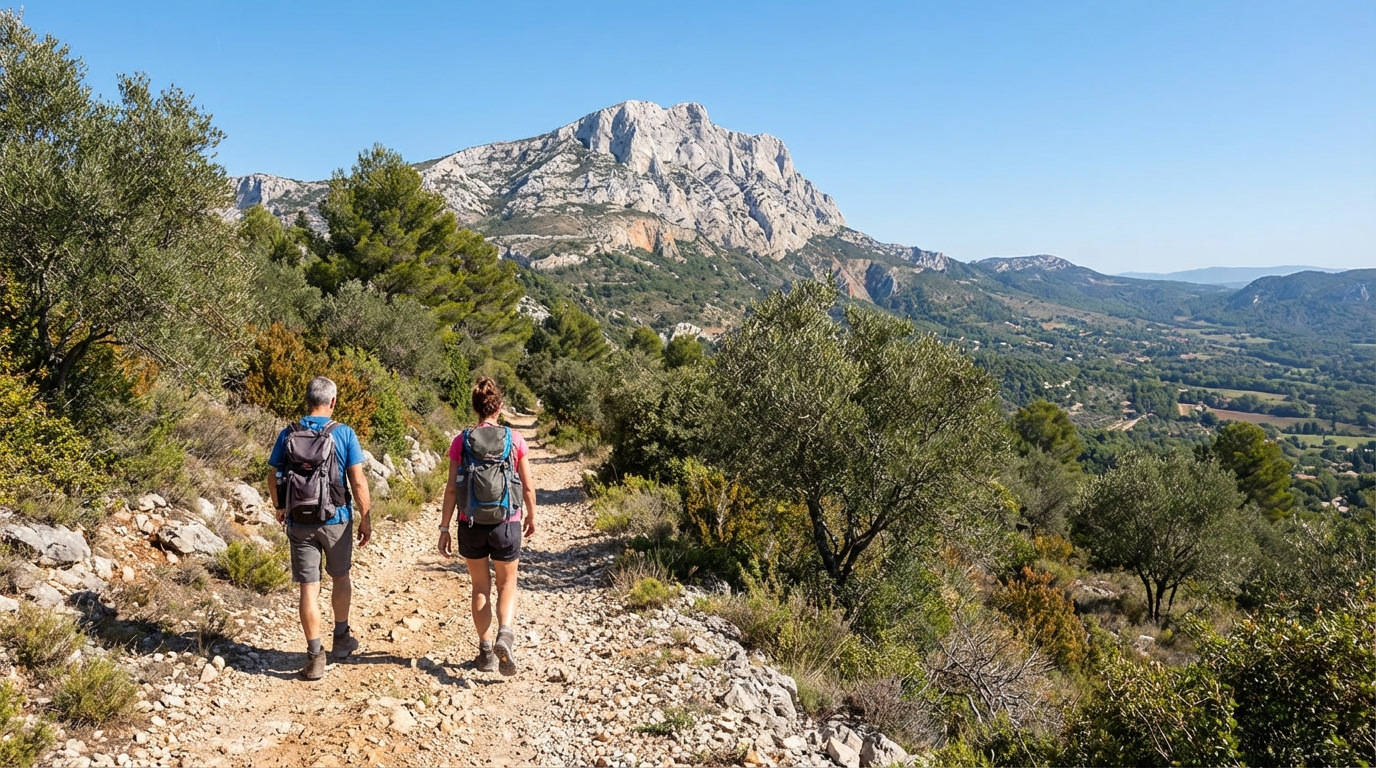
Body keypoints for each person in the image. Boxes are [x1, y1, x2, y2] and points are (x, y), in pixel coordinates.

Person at [267, 376, 372, 681]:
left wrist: (280, 506)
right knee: (340, 577)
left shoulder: (288, 432)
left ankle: (315, 658)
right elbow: (358, 480)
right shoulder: (344, 433)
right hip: (336, 519)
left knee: (308, 590)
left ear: (307, 399)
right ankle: (341, 639)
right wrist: (365, 516)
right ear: (333, 402)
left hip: (300, 522)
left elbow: (273, 475)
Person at [438, 377, 537, 676]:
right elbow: (529, 487)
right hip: (507, 523)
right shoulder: (514, 439)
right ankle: (504, 633)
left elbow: (452, 490)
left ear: (475, 408)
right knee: (507, 584)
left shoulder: (461, 441)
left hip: (471, 524)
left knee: (480, 586)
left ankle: (485, 652)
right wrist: (531, 515)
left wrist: (444, 528)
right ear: (500, 407)